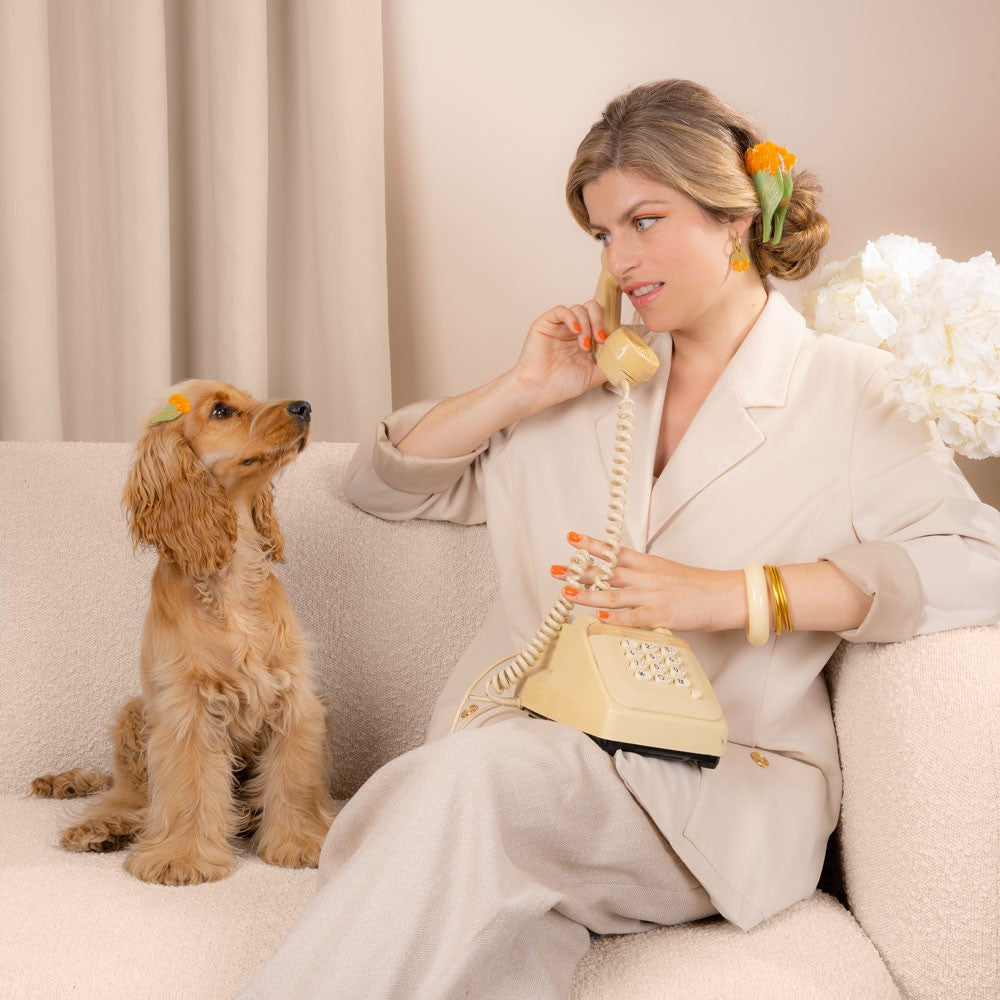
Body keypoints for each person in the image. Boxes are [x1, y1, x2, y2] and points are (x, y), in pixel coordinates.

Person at [238, 78, 1000, 1000]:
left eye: (646, 220)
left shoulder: (851, 391)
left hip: (714, 789)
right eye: (603, 234)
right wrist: (520, 390)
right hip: (535, 756)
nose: (622, 258)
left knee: (463, 787)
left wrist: (743, 594)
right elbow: (383, 486)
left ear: (733, 219)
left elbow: (977, 563)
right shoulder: (589, 384)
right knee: (488, 901)